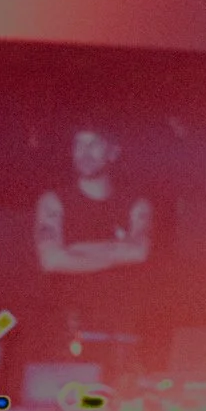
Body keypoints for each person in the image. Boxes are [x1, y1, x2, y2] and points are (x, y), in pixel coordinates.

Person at [34, 122, 153, 381]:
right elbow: (52, 259)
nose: (84, 152)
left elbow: (139, 252)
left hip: (121, 332)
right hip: (66, 334)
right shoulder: (54, 201)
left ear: (113, 152)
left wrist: (76, 251)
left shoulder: (135, 203)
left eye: (94, 144)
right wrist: (118, 251)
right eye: (78, 144)